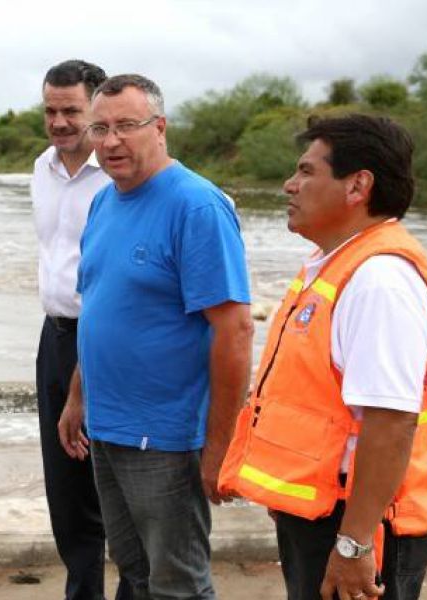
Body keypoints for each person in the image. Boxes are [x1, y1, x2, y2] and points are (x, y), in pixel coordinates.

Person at [219, 115, 427, 600]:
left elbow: (390, 423)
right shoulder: (336, 264)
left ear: (357, 186)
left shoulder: (379, 280)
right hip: (325, 512)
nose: (289, 184)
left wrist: (353, 544)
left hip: (361, 524)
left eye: (306, 171)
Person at [58, 74, 253, 599]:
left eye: (127, 126)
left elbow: (234, 331)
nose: (111, 141)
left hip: (166, 436)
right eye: (100, 128)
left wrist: (219, 448)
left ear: (160, 128)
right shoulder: (104, 203)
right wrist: (78, 396)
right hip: (107, 428)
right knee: (135, 573)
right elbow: (100, 309)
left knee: (178, 584)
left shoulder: (197, 207)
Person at [32, 59, 134, 600]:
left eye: (71, 110)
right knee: (65, 490)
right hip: (53, 337)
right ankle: (83, 592)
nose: (60, 122)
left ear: (94, 109)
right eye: (50, 110)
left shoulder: (121, 174)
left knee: (115, 483)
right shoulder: (41, 169)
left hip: (106, 340)